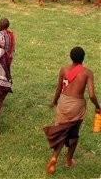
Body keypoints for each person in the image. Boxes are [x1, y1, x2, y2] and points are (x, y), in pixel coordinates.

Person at [44, 46, 100, 175]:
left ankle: (54, 157)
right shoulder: (87, 72)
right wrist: (97, 106)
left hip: (63, 103)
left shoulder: (64, 69)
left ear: (70, 57)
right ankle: (68, 161)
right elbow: (91, 95)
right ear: (83, 58)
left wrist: (54, 102)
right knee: (73, 133)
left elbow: (58, 89)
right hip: (76, 106)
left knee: (61, 131)